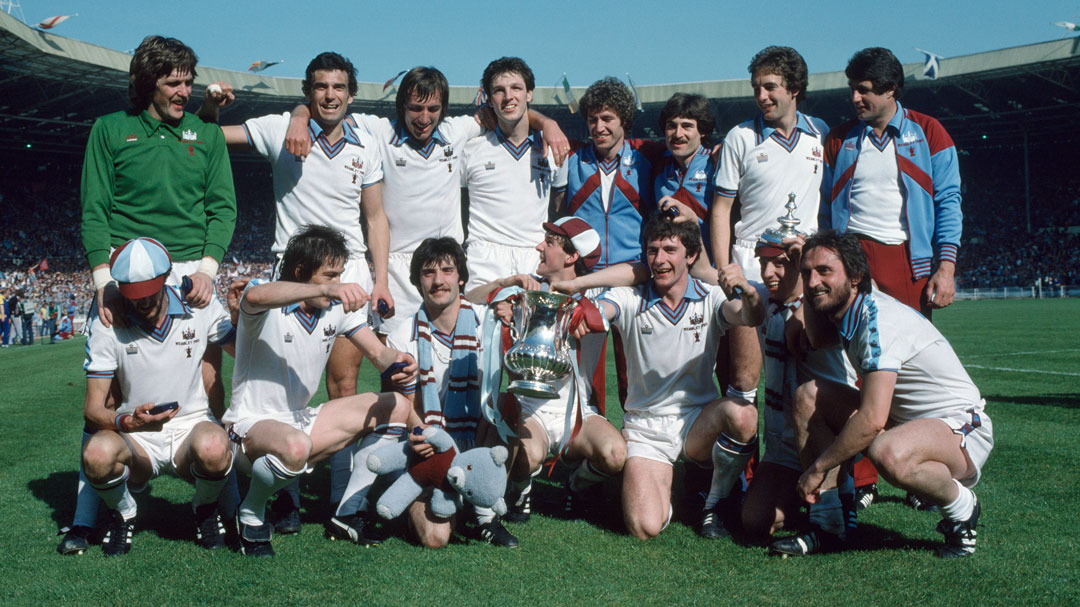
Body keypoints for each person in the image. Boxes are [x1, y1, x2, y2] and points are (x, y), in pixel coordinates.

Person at [200, 51, 393, 528]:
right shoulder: (278, 128)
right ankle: (278, 486)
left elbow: (374, 216)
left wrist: (381, 278)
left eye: (339, 88)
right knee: (283, 383)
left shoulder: (365, 145)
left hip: (345, 280)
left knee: (343, 384)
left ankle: (339, 500)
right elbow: (209, 137)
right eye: (321, 88)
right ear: (308, 92)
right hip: (290, 281)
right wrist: (213, 109)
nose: (330, 95)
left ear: (351, 94)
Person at [283, 66, 568, 340]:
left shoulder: (457, 131)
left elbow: (510, 111)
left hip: (446, 266)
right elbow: (331, 110)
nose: (423, 117)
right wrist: (298, 116)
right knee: (396, 363)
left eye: (433, 109)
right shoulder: (380, 131)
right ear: (401, 106)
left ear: (443, 110)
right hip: (398, 268)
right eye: (415, 108)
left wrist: (547, 123)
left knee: (458, 358)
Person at [792, 230, 992, 558]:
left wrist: (817, 468)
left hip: (961, 426)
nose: (813, 282)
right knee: (808, 397)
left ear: (856, 276)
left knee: (888, 450)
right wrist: (809, 271)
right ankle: (828, 523)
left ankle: (961, 508)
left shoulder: (878, 322)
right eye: (807, 273)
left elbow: (871, 420)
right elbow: (817, 339)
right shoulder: (854, 307)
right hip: (909, 425)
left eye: (824, 271)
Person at [224, 225, 413, 557]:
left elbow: (377, 354)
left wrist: (398, 360)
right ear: (300, 272)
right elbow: (254, 296)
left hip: (300, 421)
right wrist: (327, 288)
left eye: (340, 275)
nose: (337, 282)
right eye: (330, 274)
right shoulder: (264, 298)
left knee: (395, 405)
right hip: (249, 426)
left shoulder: (334, 309)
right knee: (296, 446)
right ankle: (251, 512)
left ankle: (347, 512)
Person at [587, 217, 765, 540]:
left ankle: (714, 503)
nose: (659, 259)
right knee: (645, 527)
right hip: (646, 427)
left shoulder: (709, 297)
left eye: (670, 249)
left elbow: (748, 317)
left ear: (691, 256)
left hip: (696, 420)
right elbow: (604, 309)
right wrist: (586, 310)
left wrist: (748, 293)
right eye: (652, 250)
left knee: (744, 415)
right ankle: (664, 488)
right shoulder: (632, 298)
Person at [80, 237, 236, 556]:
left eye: (150, 291)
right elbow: (93, 409)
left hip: (191, 427)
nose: (143, 302)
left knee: (216, 446)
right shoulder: (107, 321)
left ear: (166, 277)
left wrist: (239, 315)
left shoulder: (199, 305)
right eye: (134, 295)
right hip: (136, 438)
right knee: (95, 455)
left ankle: (204, 509)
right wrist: (128, 421)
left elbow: (246, 353)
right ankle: (124, 513)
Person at [465, 217, 625, 523]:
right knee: (526, 457)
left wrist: (578, 291)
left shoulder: (599, 296)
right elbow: (468, 299)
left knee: (615, 455)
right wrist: (505, 286)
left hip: (580, 414)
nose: (539, 246)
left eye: (549, 242)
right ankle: (521, 488)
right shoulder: (523, 290)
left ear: (571, 256)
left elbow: (638, 273)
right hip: (531, 409)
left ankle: (576, 484)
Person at [81, 35, 236, 325]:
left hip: (192, 272)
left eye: (188, 82)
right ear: (148, 83)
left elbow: (223, 209)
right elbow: (95, 211)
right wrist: (104, 281)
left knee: (207, 370)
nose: (185, 92)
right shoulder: (109, 129)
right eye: (173, 84)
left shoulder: (208, 133)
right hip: (127, 269)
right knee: (115, 370)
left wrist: (207, 271)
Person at [385, 237, 517, 548]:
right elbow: (399, 406)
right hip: (429, 446)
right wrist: (422, 436)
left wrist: (515, 310)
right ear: (418, 281)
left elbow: (508, 383)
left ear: (461, 277)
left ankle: (485, 513)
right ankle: (427, 496)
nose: (439, 280)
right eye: (429, 273)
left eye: (447, 270)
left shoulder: (489, 322)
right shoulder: (402, 336)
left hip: (477, 439)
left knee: (504, 407)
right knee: (436, 538)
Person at [736, 233, 860, 553]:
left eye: (778, 263)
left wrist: (804, 310)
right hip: (781, 445)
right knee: (755, 521)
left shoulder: (823, 302)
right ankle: (805, 494)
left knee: (810, 399)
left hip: (826, 430)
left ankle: (839, 498)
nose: (767, 273)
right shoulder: (764, 300)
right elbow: (711, 276)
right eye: (763, 264)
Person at [820, 47, 962, 319]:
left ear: (890, 89)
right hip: (851, 261)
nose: (855, 98)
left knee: (910, 355)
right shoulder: (838, 139)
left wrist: (946, 268)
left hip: (907, 262)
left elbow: (948, 202)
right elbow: (824, 208)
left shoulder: (929, 131)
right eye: (852, 89)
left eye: (863, 90)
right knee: (851, 355)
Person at [461, 57, 568, 289]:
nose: (508, 96)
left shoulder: (554, 149)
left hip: (532, 257)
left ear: (529, 94)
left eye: (516, 88)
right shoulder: (471, 149)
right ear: (489, 99)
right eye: (499, 91)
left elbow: (559, 206)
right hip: (484, 258)